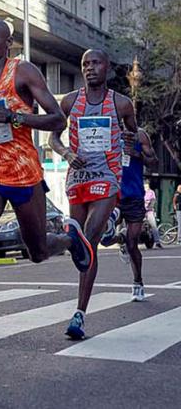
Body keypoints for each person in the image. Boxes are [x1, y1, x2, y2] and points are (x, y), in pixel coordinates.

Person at [0, 18, 94, 402]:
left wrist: (14, 117)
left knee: (38, 252)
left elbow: (57, 119)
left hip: (24, 175)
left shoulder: (21, 71)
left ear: (6, 44)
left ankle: (68, 237)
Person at [49, 48, 138, 340]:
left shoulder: (122, 104)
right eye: (85, 64)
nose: (89, 68)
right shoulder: (71, 101)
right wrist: (65, 152)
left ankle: (79, 314)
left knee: (88, 238)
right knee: (82, 247)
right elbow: (53, 136)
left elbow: (133, 134)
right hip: (77, 178)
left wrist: (129, 139)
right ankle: (110, 226)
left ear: (107, 68)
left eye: (95, 63)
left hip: (107, 176)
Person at [100, 128, 158, 301]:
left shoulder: (140, 135)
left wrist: (137, 154)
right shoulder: (105, 132)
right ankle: (120, 238)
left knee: (133, 245)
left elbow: (154, 161)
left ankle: (137, 282)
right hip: (112, 194)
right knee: (104, 237)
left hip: (134, 196)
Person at [144, 183, 162, 249]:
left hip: (149, 211)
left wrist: (149, 207)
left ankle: (157, 242)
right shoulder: (140, 192)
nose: (145, 187)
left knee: (153, 226)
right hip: (140, 211)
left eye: (146, 186)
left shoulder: (151, 192)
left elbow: (153, 201)